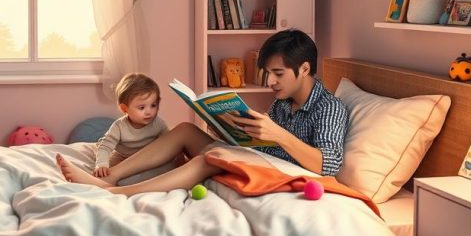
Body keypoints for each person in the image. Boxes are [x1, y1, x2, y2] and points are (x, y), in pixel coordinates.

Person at [56, 29, 348, 196]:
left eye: (278, 74)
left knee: (213, 157)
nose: (270, 81)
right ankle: (111, 175)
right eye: (267, 73)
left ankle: (118, 194)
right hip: (264, 159)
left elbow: (329, 165)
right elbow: (263, 144)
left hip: (289, 173)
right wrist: (223, 127)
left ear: (305, 69)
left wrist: (278, 135)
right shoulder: (283, 103)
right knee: (185, 130)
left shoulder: (329, 108)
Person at [92, 73, 170, 178]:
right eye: (142, 107)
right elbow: (105, 147)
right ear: (125, 109)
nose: (149, 112)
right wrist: (101, 164)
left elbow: (169, 142)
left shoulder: (158, 123)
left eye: (153, 105)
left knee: (167, 164)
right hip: (123, 157)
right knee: (108, 171)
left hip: (147, 157)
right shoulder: (119, 126)